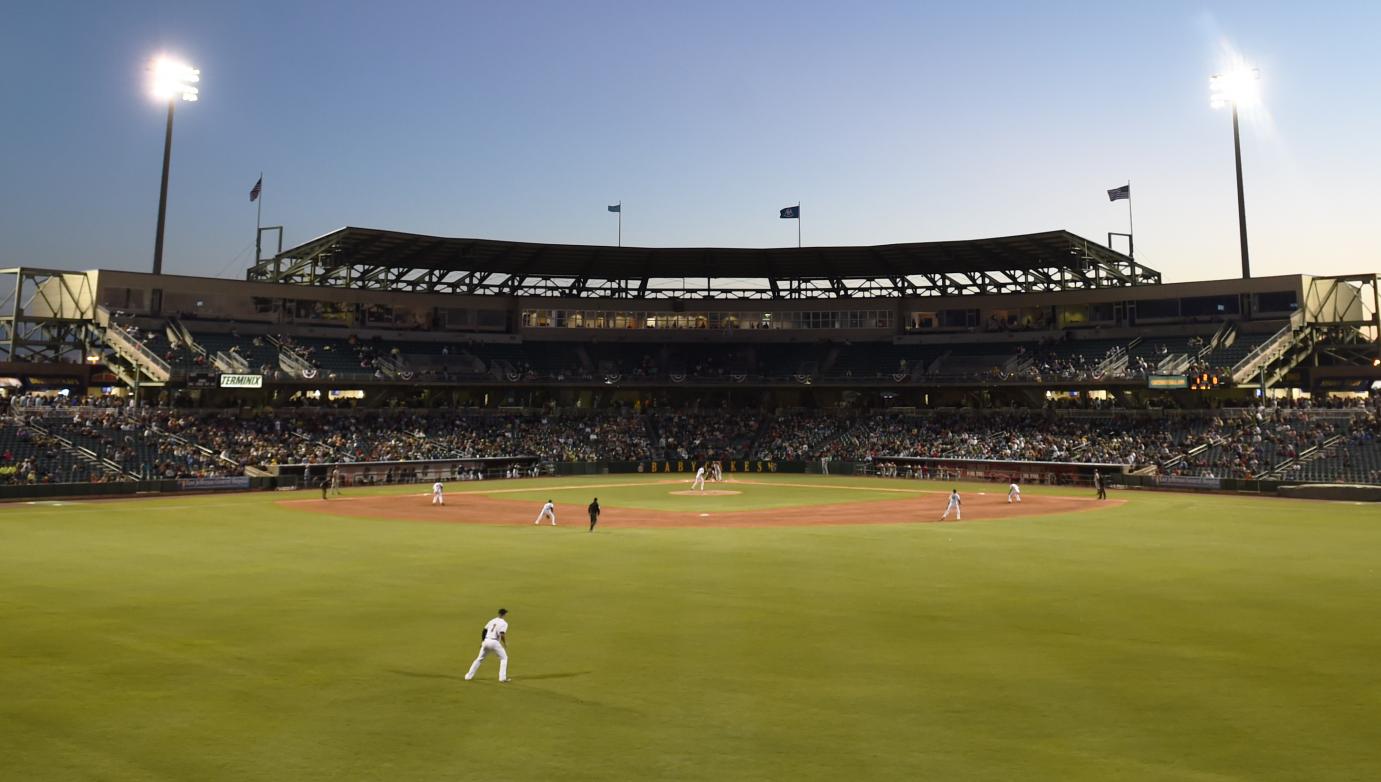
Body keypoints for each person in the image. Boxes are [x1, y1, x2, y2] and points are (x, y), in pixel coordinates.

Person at [464, 608, 510, 682]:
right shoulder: (504, 623)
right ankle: (502, 678)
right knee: (504, 658)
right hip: (494, 642)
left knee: (479, 659)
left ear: (498, 613)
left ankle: (468, 676)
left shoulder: (492, 620)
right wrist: (505, 643)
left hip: (486, 641)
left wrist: (483, 641)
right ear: (505, 614)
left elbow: (484, 630)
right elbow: (502, 634)